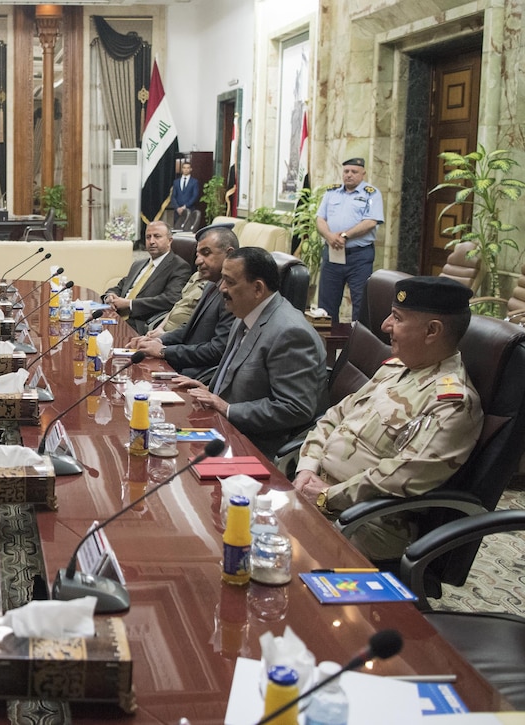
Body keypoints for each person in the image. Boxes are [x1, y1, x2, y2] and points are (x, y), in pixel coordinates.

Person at [294, 276, 482, 560]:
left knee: (268, 564)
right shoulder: (397, 368)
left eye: (397, 317)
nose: (385, 326)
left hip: (366, 523)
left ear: (432, 330)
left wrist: (325, 497)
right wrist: (306, 469)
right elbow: (333, 417)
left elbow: (400, 476)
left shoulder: (452, 404)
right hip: (317, 496)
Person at [173, 246, 326, 455]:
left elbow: (295, 408)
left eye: (230, 282)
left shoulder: (290, 333)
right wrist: (210, 389)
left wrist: (227, 408)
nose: (222, 288)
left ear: (258, 289)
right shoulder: (245, 314)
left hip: (253, 444)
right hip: (221, 428)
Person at [131, 225, 238, 381]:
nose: (198, 261)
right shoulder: (210, 284)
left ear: (229, 254)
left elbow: (217, 351)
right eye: (198, 254)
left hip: (198, 376)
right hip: (182, 364)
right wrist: (159, 341)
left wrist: (164, 351)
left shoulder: (233, 294)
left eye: (206, 253)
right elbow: (189, 328)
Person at [316, 157, 384, 322]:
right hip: (333, 253)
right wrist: (330, 236)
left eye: (354, 172)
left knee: (360, 304)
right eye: (346, 171)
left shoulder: (372, 194)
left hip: (359, 257)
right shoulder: (331, 192)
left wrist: (345, 235)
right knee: (326, 305)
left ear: (363, 174)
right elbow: (320, 219)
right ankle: (326, 344)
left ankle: (356, 343)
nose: (349, 175)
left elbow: (370, 222)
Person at [103, 221, 191, 334]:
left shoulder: (179, 266)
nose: (152, 241)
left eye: (157, 236)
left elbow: (170, 299)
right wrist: (110, 296)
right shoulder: (138, 264)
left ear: (170, 241)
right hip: (114, 316)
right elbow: (120, 286)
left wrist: (129, 304)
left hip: (138, 323)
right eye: (148, 237)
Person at [171, 160, 201, 228]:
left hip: (189, 210)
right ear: (182, 169)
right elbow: (173, 196)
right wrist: (177, 208)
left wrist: (184, 207)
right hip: (177, 212)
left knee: (187, 229)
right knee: (177, 229)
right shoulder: (176, 182)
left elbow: (195, 196)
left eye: (188, 168)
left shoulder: (194, 182)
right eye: (184, 168)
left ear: (191, 169)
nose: (186, 169)